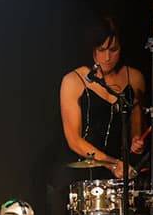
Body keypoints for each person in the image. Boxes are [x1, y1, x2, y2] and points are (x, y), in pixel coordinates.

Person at [59, 17, 146, 181]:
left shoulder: (135, 77)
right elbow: (74, 140)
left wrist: (137, 140)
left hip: (123, 172)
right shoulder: (73, 80)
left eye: (113, 50)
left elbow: (137, 124)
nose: (107, 57)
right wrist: (111, 163)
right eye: (101, 49)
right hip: (84, 172)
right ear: (92, 49)